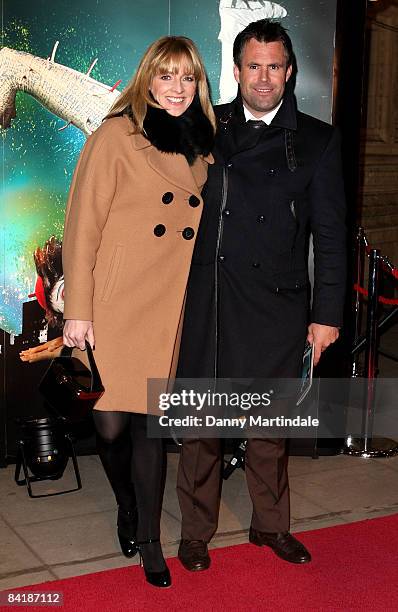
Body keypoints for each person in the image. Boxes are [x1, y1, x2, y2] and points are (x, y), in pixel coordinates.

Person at [176, 20, 347, 570]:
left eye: (275, 66)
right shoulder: (205, 126)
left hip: (277, 304)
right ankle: (196, 532)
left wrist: (326, 317)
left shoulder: (317, 140)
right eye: (254, 66)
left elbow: (332, 235)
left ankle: (270, 527)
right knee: (202, 428)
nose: (264, 77)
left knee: (269, 430)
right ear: (237, 70)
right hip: (211, 298)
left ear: (290, 71)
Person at [61, 36, 215, 588]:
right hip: (115, 299)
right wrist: (77, 309)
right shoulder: (115, 135)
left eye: (188, 78)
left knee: (148, 426)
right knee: (108, 424)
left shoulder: (204, 146)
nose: (177, 89)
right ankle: (127, 504)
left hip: (168, 304)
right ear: (148, 80)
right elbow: (82, 226)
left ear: (199, 86)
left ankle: (150, 540)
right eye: (167, 76)